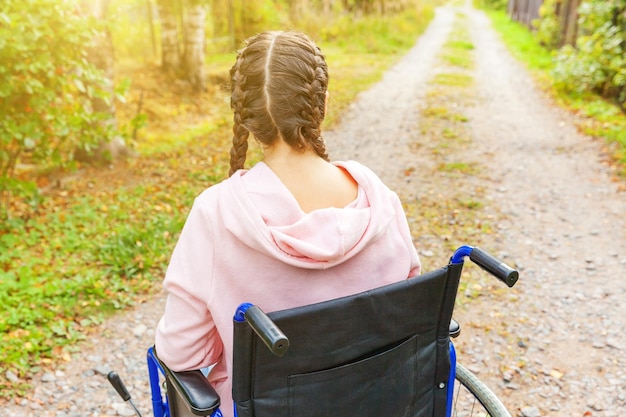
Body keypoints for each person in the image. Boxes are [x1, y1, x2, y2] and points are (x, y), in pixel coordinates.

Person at [154, 30, 421, 417]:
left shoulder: (216, 213)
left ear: (244, 117)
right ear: (323, 103)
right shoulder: (380, 201)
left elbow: (183, 352)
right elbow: (404, 319)